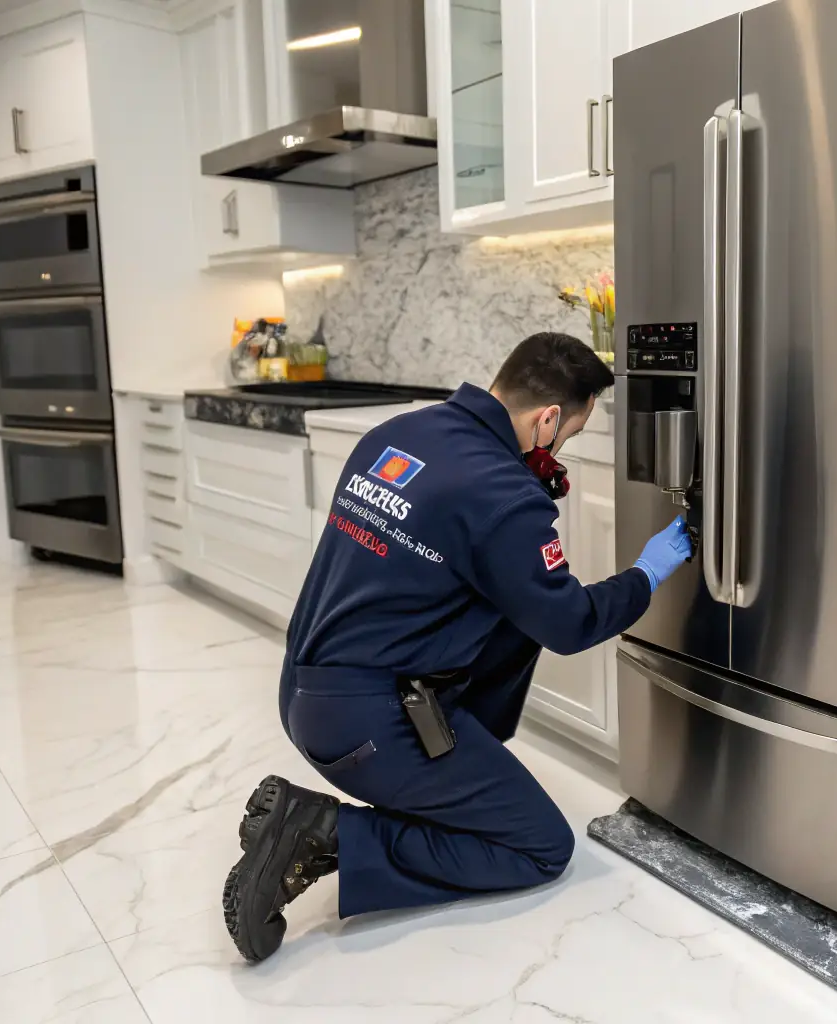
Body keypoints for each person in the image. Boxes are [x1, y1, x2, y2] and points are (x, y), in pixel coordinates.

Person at [221, 332, 693, 963]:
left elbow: (443, 551)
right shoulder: (501, 494)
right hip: (369, 726)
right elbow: (568, 623)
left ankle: (350, 813)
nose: (562, 446)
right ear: (547, 419)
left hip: (305, 692)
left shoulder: (399, 432)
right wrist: (647, 574)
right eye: (569, 434)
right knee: (540, 846)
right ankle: (324, 832)